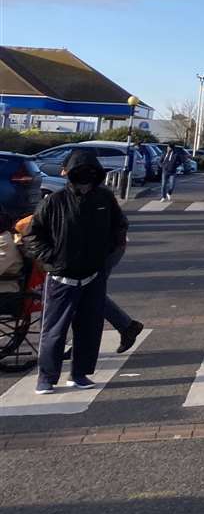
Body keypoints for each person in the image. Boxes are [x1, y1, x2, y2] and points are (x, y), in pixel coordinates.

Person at [22, 150, 128, 394]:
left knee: (89, 328)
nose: (86, 180)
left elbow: (119, 226)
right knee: (54, 330)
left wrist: (106, 256)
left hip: (93, 274)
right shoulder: (54, 201)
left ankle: (79, 374)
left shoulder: (104, 199)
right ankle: (47, 378)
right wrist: (53, 260)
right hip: (61, 277)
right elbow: (32, 235)